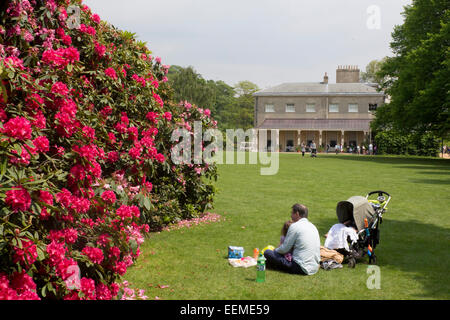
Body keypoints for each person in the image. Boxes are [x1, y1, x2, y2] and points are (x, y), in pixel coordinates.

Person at [264, 204, 321, 275]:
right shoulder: (313, 226)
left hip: (300, 267)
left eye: (292, 213)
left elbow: (284, 249)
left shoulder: (295, 226)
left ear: (297, 213)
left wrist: (275, 251)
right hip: (314, 267)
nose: (291, 216)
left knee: (267, 253)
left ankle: (271, 264)